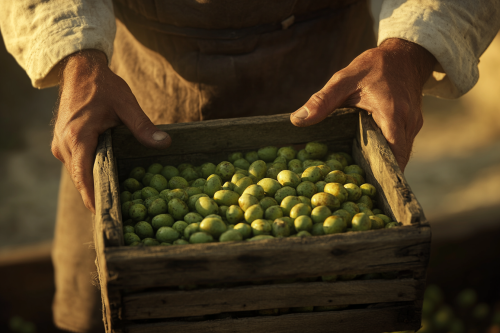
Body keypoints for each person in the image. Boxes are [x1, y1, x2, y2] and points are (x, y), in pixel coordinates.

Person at [1, 0, 499, 331]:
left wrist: (411, 48)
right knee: (105, 302)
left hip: (323, 73)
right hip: (136, 83)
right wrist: (75, 56)